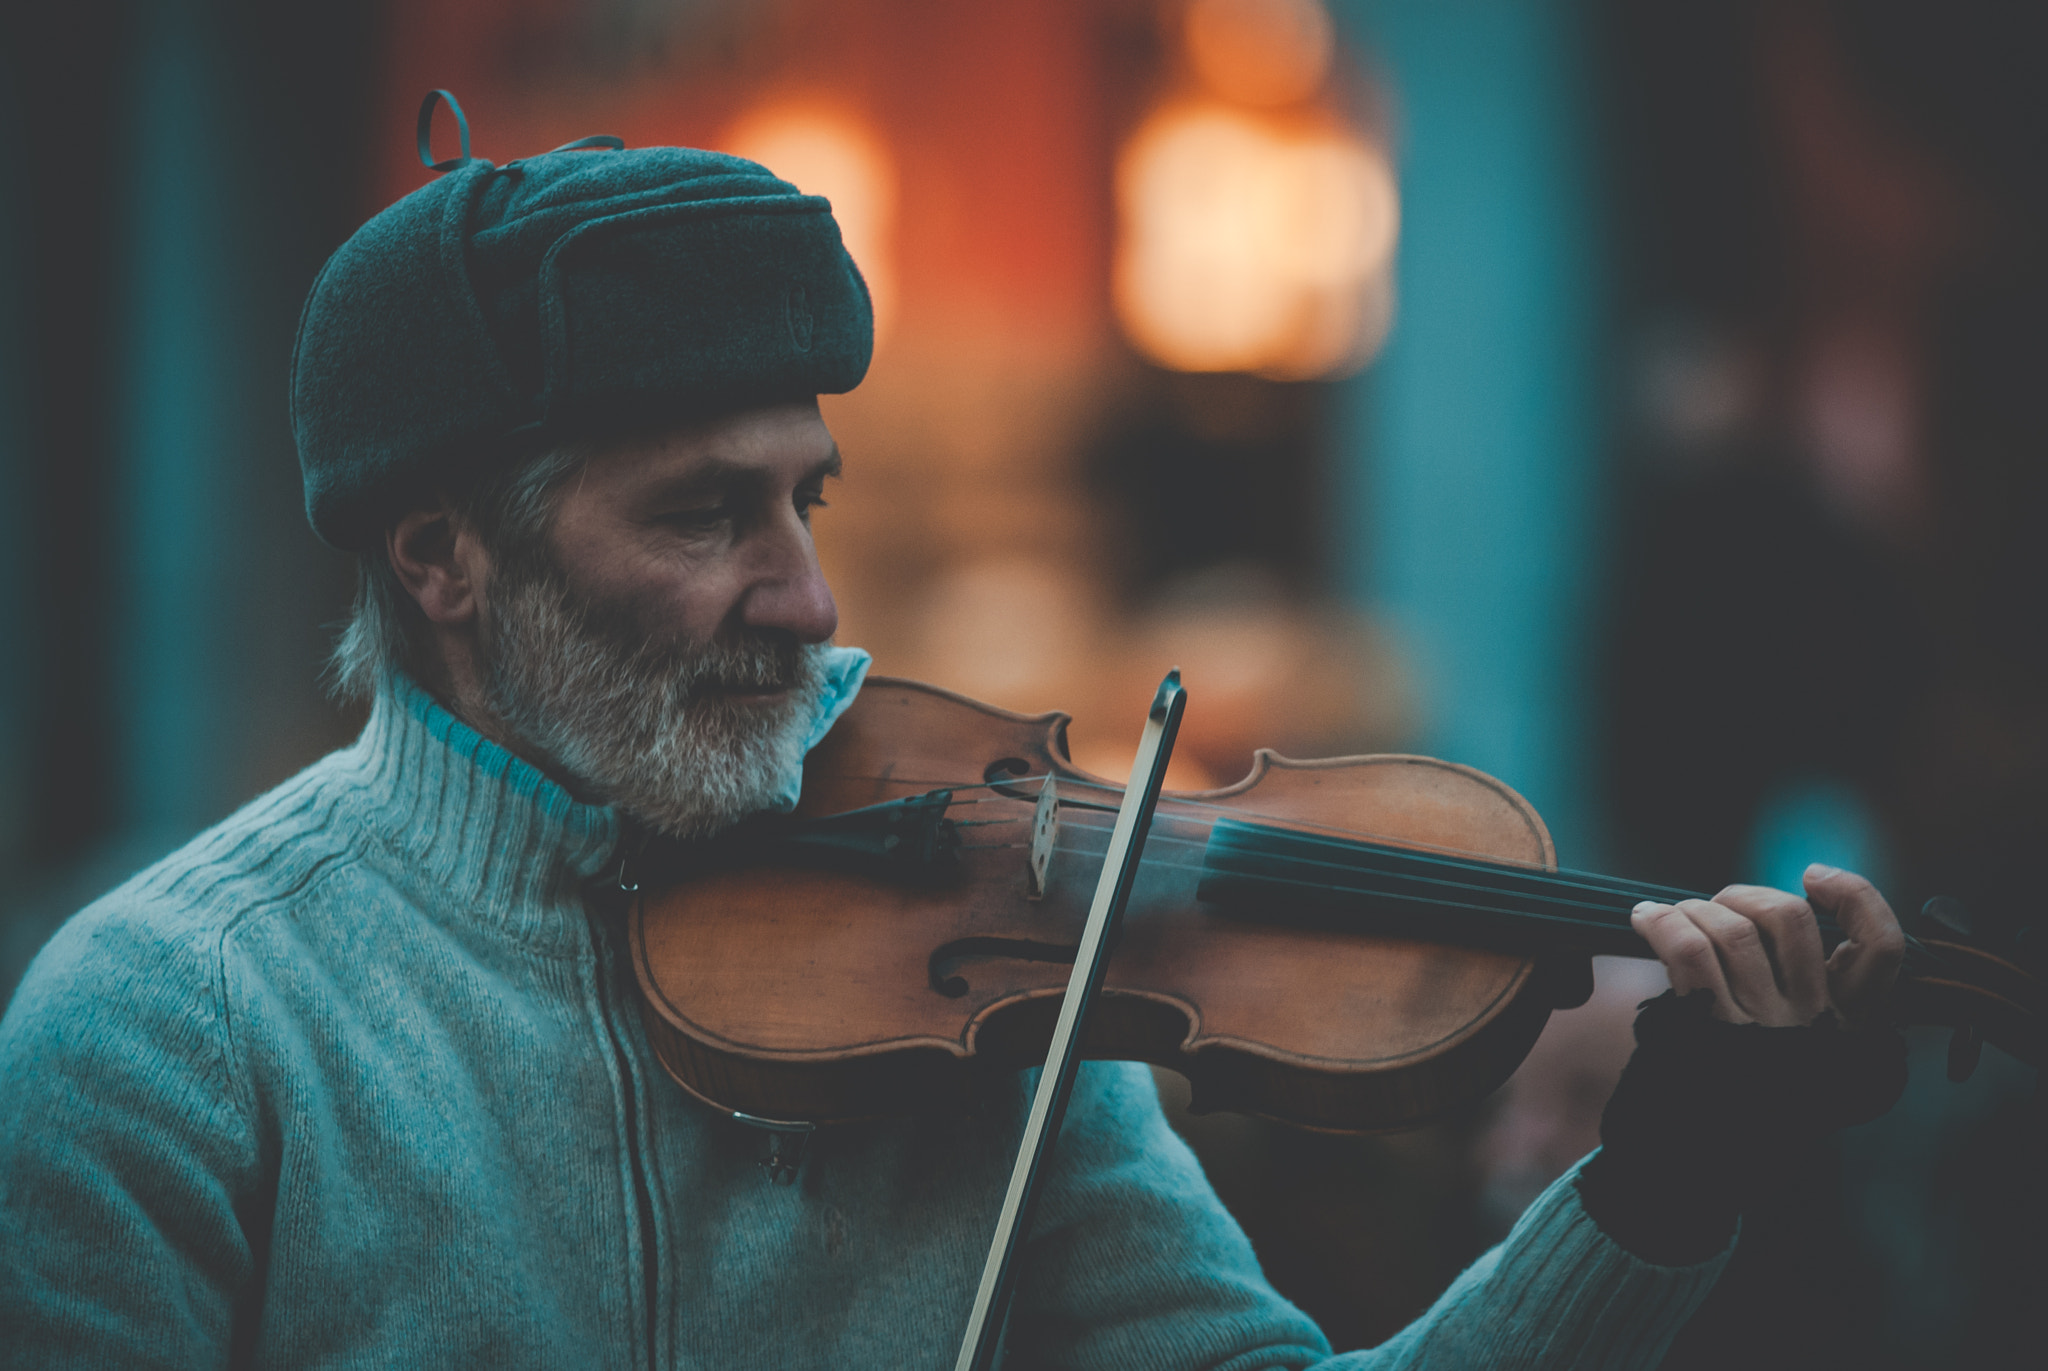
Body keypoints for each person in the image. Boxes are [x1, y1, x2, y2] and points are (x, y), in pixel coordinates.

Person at [0, 108, 1908, 1369]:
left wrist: (1659, 1185)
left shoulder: (975, 960)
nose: (807, 599)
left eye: (805, 502)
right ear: (445, 561)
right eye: (700, 518)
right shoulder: (170, 1032)